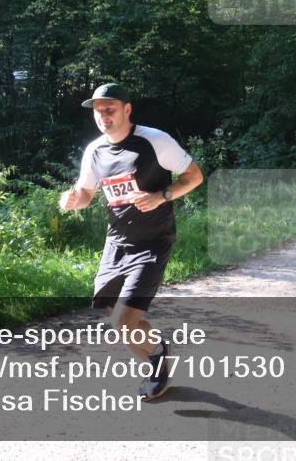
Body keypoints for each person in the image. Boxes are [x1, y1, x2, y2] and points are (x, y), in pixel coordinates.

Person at [59, 82, 204, 401]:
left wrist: (161, 196)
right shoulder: (94, 151)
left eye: (110, 110)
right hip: (117, 243)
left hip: (153, 241)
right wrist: (71, 201)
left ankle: (157, 366)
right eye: (98, 112)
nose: (103, 117)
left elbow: (194, 177)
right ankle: (158, 355)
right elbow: (85, 194)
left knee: (125, 320)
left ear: (127, 109)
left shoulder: (155, 140)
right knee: (118, 320)